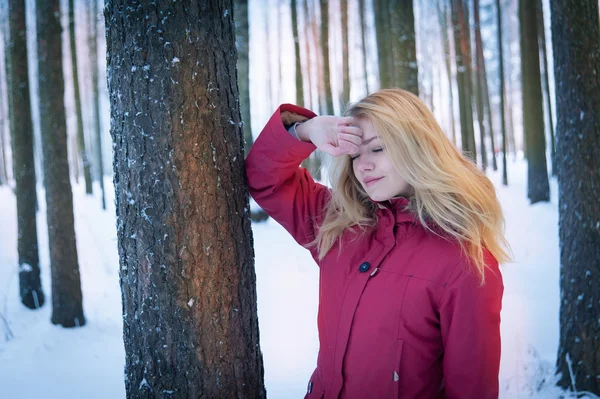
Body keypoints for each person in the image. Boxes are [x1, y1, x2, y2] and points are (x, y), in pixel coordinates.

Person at [245, 88, 511, 399]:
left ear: (418, 147)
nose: (362, 166)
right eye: (356, 154)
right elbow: (264, 178)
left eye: (378, 149)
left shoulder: (465, 264)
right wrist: (306, 130)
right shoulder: (340, 225)